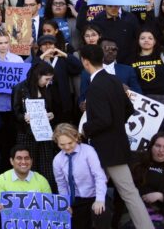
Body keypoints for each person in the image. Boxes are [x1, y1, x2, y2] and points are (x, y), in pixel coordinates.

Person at [80, 44, 153, 228]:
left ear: (85, 61)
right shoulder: (114, 80)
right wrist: (116, 125)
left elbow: (103, 120)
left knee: (125, 193)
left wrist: (85, 129)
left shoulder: (95, 85)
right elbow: (129, 109)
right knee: (102, 193)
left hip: (106, 151)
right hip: (116, 146)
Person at [51, 123, 110, 229]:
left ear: (76, 138)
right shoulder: (57, 160)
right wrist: (66, 203)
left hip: (94, 196)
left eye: (70, 143)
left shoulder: (88, 151)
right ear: (57, 142)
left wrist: (100, 199)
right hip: (76, 200)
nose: (67, 147)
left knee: (101, 214)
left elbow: (99, 176)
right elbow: (61, 184)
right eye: (62, 144)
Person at [11, 60, 58, 190]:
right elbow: (15, 112)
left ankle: (47, 194)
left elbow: (52, 109)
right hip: (26, 134)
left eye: (50, 80)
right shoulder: (20, 88)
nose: (48, 82)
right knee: (28, 164)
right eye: (46, 79)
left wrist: (51, 115)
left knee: (46, 165)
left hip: (44, 135)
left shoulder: (47, 89)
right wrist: (23, 117)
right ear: (38, 75)